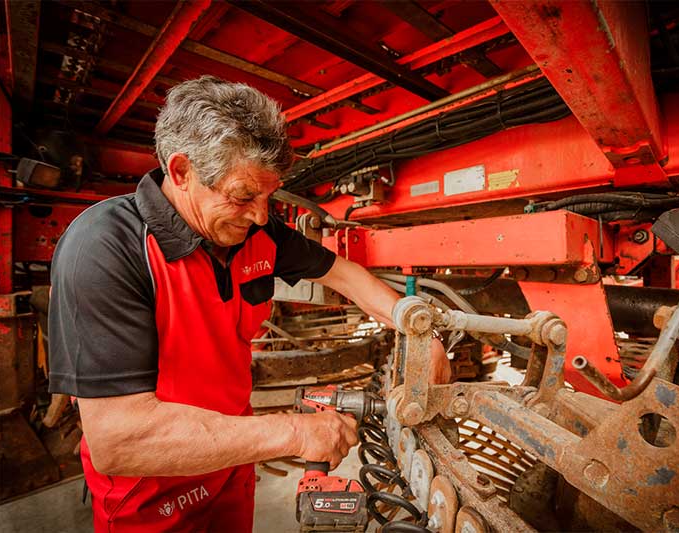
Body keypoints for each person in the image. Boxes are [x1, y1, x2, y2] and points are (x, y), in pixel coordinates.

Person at [48, 76, 451, 532]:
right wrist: (295, 432)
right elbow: (120, 440)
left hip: (232, 456)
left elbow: (344, 275)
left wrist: (415, 332)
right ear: (181, 172)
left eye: (268, 196)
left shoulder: (256, 233)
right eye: (243, 197)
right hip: (151, 488)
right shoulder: (105, 248)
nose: (261, 215)